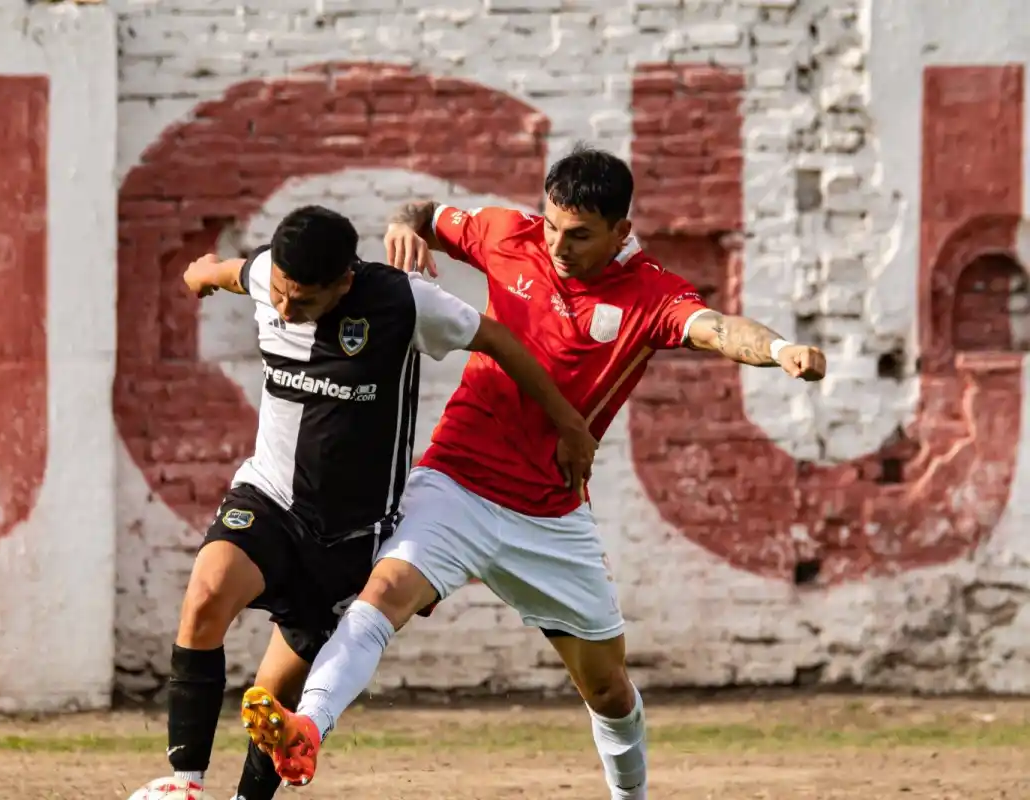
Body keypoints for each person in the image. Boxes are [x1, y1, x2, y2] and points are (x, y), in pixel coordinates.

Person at [239, 146, 828, 798]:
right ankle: (308, 730)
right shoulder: (507, 234)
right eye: (551, 224)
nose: (558, 244)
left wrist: (780, 351)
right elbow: (426, 213)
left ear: (620, 233)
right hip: (455, 483)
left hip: (550, 515)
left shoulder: (652, 293)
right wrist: (405, 225)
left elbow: (716, 328)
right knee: (381, 596)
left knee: (607, 688)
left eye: (578, 235)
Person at [144, 204, 597, 800]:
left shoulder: (404, 304)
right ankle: (184, 785)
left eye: (302, 301)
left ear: (344, 283)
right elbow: (226, 273)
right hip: (270, 498)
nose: (285, 309)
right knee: (205, 596)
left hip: (349, 539)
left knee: (276, 698)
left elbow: (497, 340)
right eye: (279, 292)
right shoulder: (266, 276)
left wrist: (568, 424)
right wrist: (199, 275)